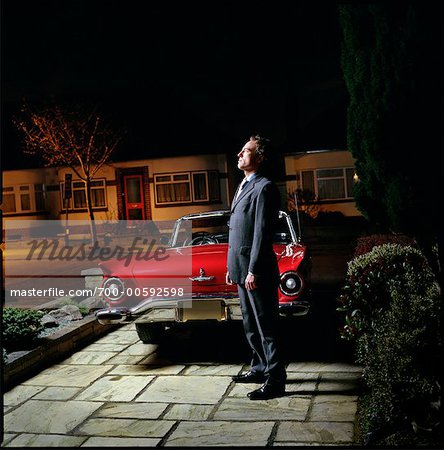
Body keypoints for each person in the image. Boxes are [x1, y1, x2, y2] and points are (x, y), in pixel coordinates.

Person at [226, 134, 287, 400]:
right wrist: (233, 267)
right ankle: (260, 367)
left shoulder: (265, 187)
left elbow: (262, 233)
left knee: (267, 327)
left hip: (257, 270)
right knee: (250, 324)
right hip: (240, 267)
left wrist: (253, 270)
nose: (240, 154)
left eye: (246, 151)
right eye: (240, 150)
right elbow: (238, 230)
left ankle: (276, 380)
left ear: (259, 157)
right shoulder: (243, 185)